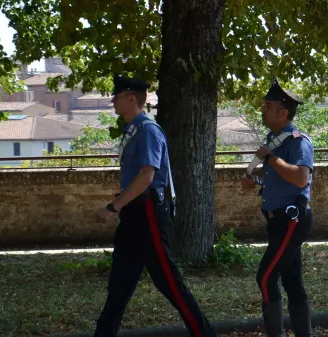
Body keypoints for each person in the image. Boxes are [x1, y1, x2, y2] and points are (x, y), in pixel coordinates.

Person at [93, 74, 217, 337]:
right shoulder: (133, 130)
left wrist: (112, 207)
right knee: (118, 285)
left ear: (131, 98)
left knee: (169, 282)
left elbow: (147, 176)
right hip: (133, 216)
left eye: (117, 96)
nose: (112, 100)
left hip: (148, 212)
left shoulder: (148, 130)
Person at [240, 78, 315, 337]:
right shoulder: (274, 140)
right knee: (292, 281)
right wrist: (256, 178)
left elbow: (300, 177)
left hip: (292, 219)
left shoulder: (297, 141)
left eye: (268, 105)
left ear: (283, 113)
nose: (262, 109)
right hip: (277, 221)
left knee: (265, 278)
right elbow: (275, 176)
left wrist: (270, 158)